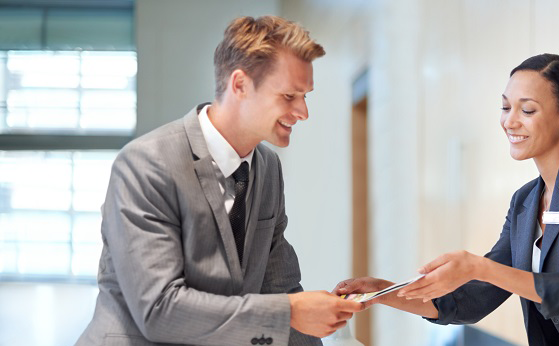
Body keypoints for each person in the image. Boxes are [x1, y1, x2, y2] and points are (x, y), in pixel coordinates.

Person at [335, 54, 559, 346]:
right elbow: (470, 300)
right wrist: (382, 291)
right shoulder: (524, 202)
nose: (509, 121)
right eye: (505, 107)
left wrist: (478, 266)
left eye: (527, 110)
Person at [78, 16, 362, 346]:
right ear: (239, 85)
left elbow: (280, 289)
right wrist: (289, 311)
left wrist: (305, 317)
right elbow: (159, 311)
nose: (303, 112)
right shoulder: (146, 164)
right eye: (288, 95)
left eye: (305, 96)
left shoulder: (267, 168)